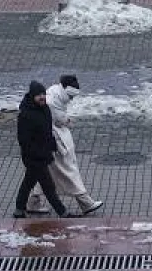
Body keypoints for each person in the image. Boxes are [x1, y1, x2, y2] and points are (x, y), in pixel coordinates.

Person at [23, 75, 105, 216]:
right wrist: (67, 121)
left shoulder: (55, 94)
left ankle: (33, 201)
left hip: (50, 144)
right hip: (55, 145)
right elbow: (58, 119)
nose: (71, 100)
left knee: (45, 174)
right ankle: (85, 202)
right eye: (71, 96)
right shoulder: (53, 102)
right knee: (68, 172)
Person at [14, 81, 73, 218]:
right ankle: (62, 211)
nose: (42, 97)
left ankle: (19, 209)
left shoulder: (45, 109)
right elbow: (23, 139)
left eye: (43, 94)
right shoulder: (26, 115)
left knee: (29, 182)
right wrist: (36, 153)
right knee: (48, 186)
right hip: (34, 157)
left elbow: (47, 131)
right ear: (32, 96)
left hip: (43, 154)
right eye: (38, 95)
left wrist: (52, 145)